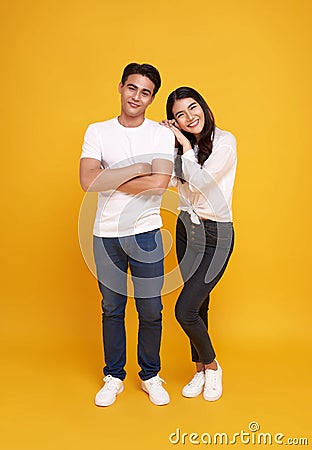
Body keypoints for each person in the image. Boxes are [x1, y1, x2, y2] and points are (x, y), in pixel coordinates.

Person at [80, 63, 175, 407]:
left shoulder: (160, 135)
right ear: (120, 87)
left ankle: (150, 374)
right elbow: (88, 181)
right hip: (105, 236)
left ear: (151, 99)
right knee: (112, 308)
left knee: (151, 309)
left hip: (147, 234)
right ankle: (113, 376)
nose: (137, 96)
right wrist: (139, 169)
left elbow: (160, 184)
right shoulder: (98, 131)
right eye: (132, 88)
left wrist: (114, 174)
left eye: (145, 92)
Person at [161, 86, 237, 401]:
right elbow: (166, 181)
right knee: (200, 305)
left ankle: (213, 366)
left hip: (216, 234)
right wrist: (167, 144)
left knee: (185, 309)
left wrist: (181, 142)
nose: (190, 117)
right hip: (186, 229)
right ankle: (200, 372)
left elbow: (202, 182)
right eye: (180, 114)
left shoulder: (224, 141)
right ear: (174, 119)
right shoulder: (179, 148)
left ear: (203, 107)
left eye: (193, 108)